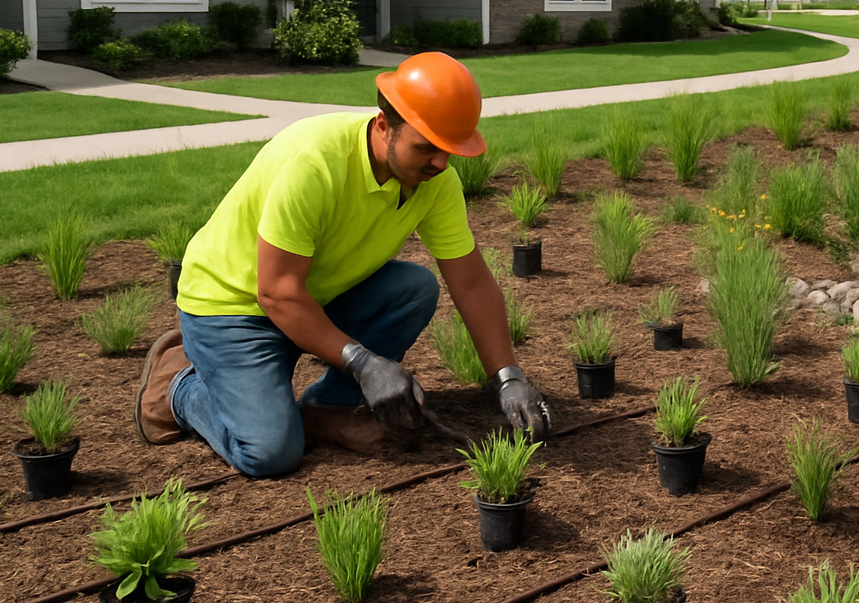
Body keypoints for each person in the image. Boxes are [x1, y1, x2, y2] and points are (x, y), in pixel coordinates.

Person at [134, 51, 550, 477]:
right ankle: (178, 388)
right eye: (426, 147)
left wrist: (508, 377)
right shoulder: (315, 163)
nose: (441, 164)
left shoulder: (435, 181)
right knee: (270, 453)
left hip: (310, 297)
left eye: (449, 150)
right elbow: (276, 291)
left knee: (413, 288)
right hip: (232, 305)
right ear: (384, 125)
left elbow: (473, 283)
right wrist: (364, 363)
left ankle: (326, 408)